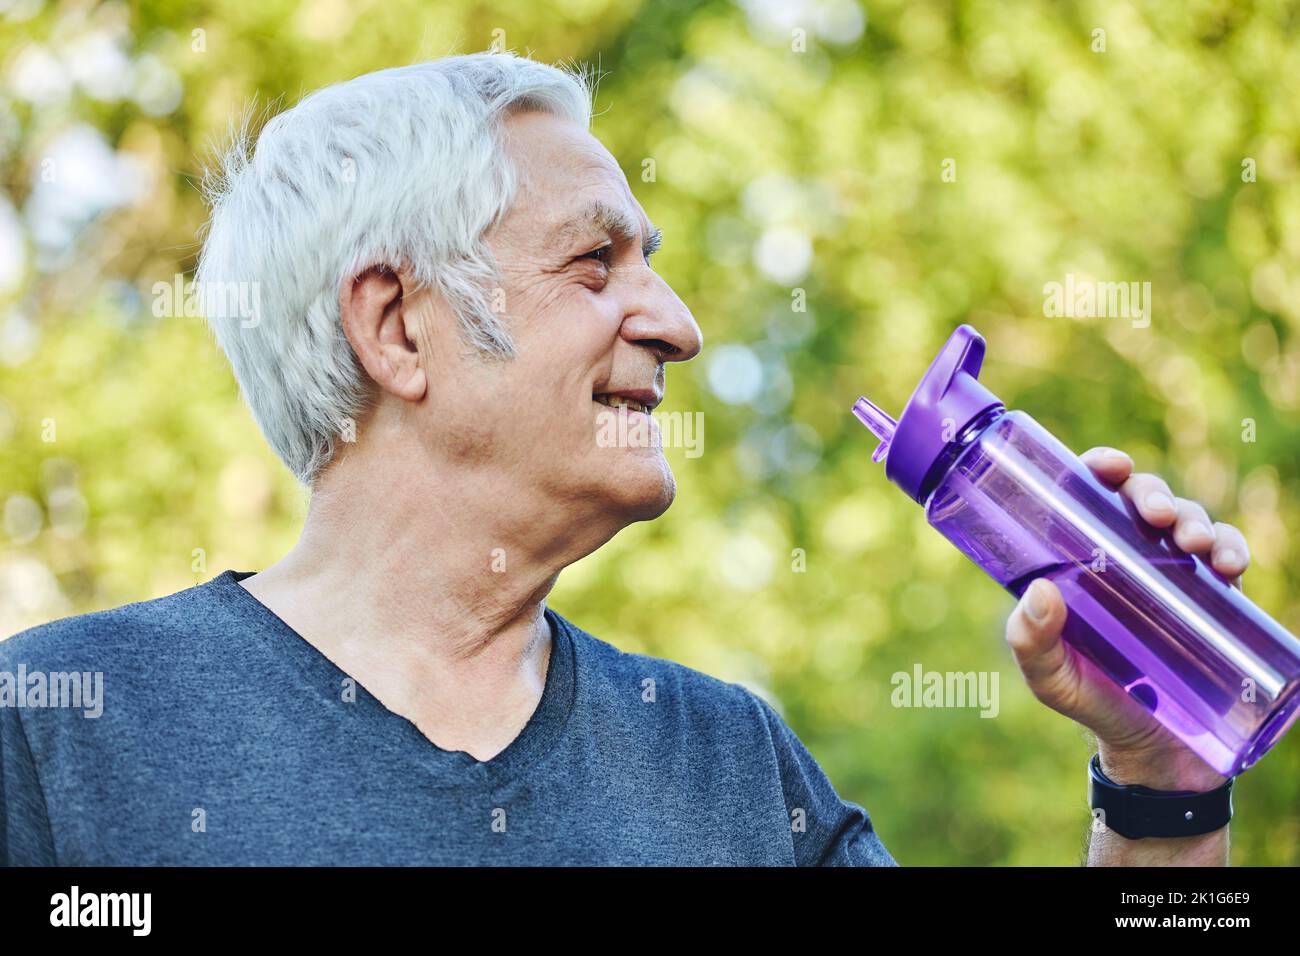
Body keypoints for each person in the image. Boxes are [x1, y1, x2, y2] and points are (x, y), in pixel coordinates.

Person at [0, 53, 1249, 866]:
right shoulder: (60, 732)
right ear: (396, 327)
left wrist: (1162, 784)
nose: (679, 325)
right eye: (593, 262)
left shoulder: (730, 766)